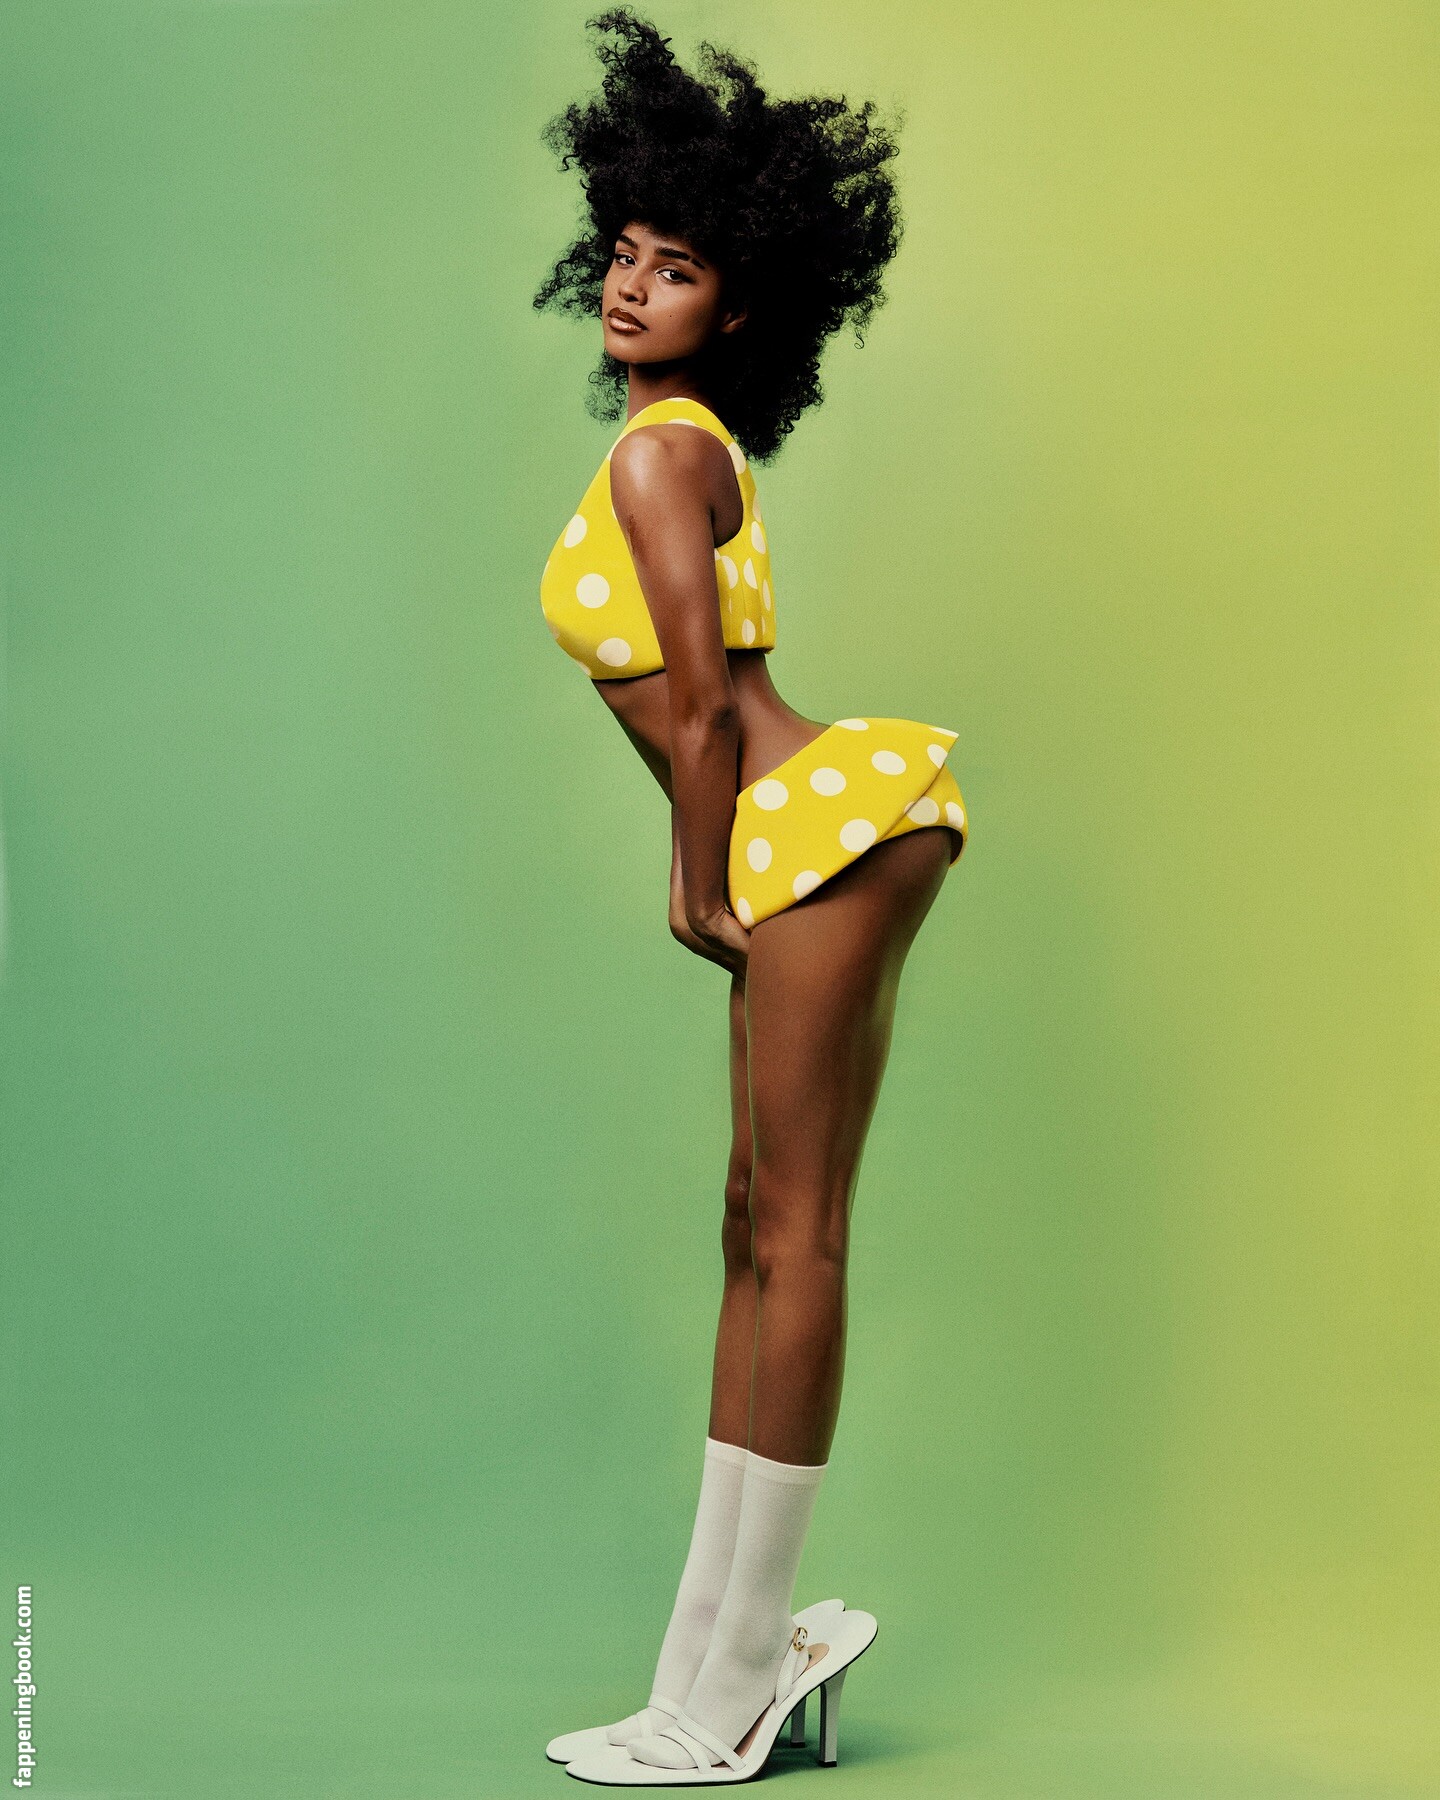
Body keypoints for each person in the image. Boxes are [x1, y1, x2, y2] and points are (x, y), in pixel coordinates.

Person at [532, 10, 967, 1785]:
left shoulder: (661, 454)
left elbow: (708, 708)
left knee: (795, 1232)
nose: (635, 285)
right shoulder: (682, 440)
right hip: (811, 825)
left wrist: (692, 877)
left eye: (680, 268)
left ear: (739, 305)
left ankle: (726, 1698)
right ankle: (717, 1661)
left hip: (805, 833)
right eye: (628, 252)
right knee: (757, 1222)